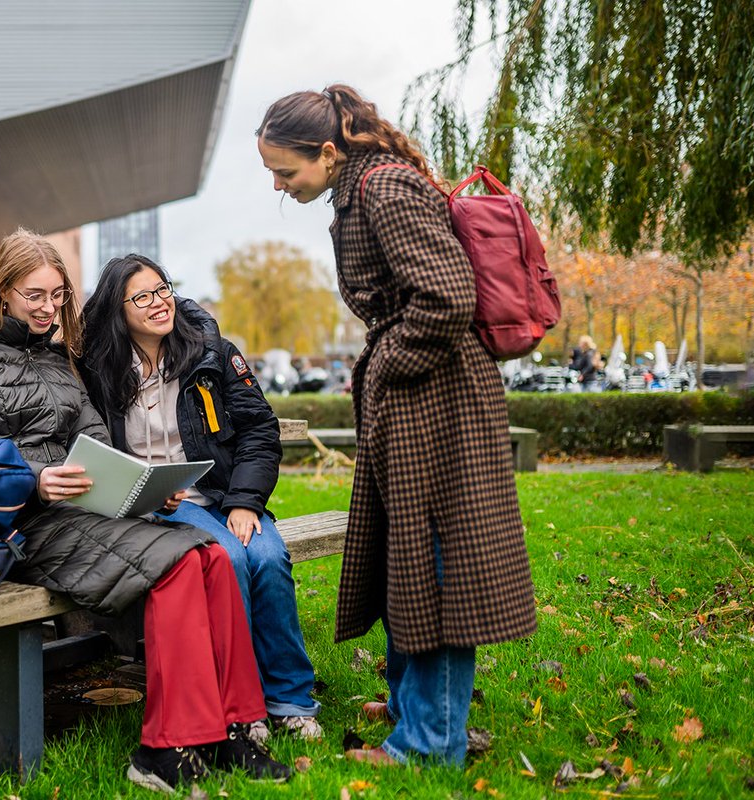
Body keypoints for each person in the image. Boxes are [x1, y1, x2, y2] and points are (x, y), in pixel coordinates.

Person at [0, 229, 290, 793]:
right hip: (13, 525)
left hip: (84, 513)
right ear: (2, 292)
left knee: (211, 555)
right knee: (181, 562)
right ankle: (164, 751)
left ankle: (235, 725)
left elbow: (95, 442)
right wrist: (34, 479)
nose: (49, 309)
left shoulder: (59, 360)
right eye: (34, 296)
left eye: (59, 295)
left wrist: (140, 484)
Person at [256, 85, 537, 767]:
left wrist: (388, 367)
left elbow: (446, 296)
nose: (277, 184)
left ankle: (429, 741)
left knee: (437, 564)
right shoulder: (364, 189)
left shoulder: (383, 190)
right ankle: (420, 702)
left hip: (436, 398)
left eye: (285, 171)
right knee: (411, 554)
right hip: (419, 396)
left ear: (327, 153)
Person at [80, 255, 324, 741]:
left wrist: (245, 501)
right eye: (142, 297)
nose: (159, 302)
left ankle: (291, 699)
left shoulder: (210, 352)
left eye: (162, 289)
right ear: (117, 309)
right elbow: (91, 449)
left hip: (219, 493)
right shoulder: (98, 369)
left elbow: (259, 430)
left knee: (269, 555)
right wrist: (136, 489)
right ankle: (243, 703)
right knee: (229, 558)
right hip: (153, 504)